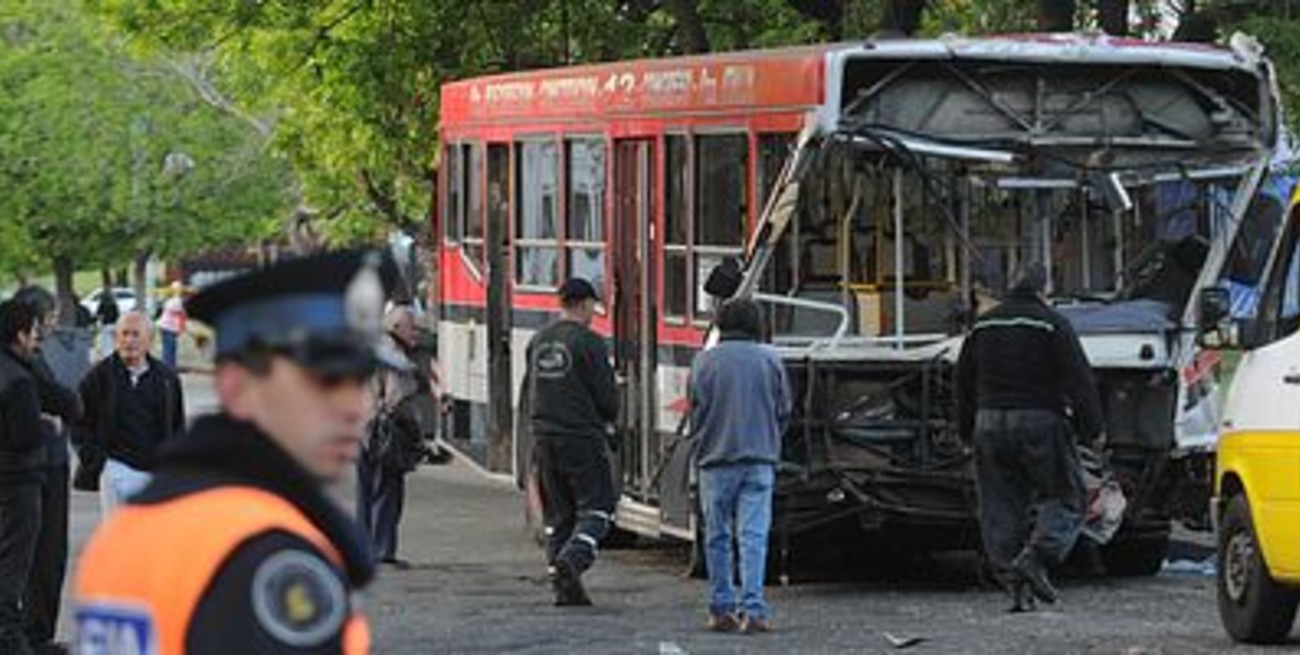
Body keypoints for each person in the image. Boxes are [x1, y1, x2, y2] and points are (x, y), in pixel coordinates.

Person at [74, 250, 398, 654]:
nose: (356, 406)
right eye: (327, 378)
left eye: (362, 379)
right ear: (236, 385)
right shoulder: (270, 559)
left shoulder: (136, 526)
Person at [955, 262, 1104, 612]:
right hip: (1040, 421)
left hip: (988, 423)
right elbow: (1079, 380)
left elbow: (963, 383)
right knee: (1069, 497)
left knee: (1000, 507)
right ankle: (1036, 557)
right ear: (1044, 289)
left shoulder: (983, 325)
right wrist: (1093, 429)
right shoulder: (1052, 323)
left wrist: (965, 431)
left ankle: (1015, 586)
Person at [688, 298, 791, 634]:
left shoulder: (703, 362)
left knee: (717, 537)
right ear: (756, 324)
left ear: (720, 323)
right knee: (753, 536)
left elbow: (696, 412)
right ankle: (754, 610)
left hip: (715, 460)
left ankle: (721, 609)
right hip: (759, 458)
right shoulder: (771, 360)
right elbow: (784, 410)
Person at [526, 277, 618, 606]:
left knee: (560, 516)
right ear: (584, 304)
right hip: (581, 436)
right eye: (593, 304)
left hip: (543, 437)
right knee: (598, 506)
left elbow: (529, 392)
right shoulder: (590, 343)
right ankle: (574, 559)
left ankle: (563, 586)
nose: (594, 311)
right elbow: (607, 399)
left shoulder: (538, 340)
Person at [12, 286, 82, 655]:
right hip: (35, 469)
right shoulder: (22, 364)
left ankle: (36, 633)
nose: (53, 323)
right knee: (38, 556)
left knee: (47, 556)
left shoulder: (36, 357)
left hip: (49, 464)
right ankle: (32, 636)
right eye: (48, 316)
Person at [76, 311, 185, 519]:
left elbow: (177, 426)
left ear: (150, 340)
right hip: (115, 467)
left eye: (136, 335)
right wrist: (97, 460)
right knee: (117, 537)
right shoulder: (99, 376)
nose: (129, 340)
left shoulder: (167, 379)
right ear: (116, 338)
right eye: (124, 334)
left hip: (155, 471)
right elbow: (79, 422)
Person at [356, 305, 429, 568]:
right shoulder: (394, 354)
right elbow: (398, 397)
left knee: (365, 493)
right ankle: (382, 551)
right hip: (383, 431)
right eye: (413, 328)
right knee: (387, 491)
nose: (418, 333)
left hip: (360, 429)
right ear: (397, 328)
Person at [0, 300, 49, 655]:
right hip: (17, 485)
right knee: (13, 568)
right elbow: (27, 436)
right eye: (34, 332)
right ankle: (12, 641)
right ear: (20, 334)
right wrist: (49, 425)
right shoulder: (18, 378)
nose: (37, 339)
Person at [157, 280, 188, 369]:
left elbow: (181, 315)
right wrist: (182, 327)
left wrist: (181, 327)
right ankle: (168, 367)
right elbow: (181, 315)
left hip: (167, 327)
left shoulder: (171, 299)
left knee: (170, 348)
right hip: (168, 327)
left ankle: (170, 366)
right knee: (169, 348)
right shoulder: (176, 300)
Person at [94, 289, 119, 360]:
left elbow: (98, 315)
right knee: (112, 343)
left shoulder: (102, 305)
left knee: (105, 343)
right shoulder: (114, 305)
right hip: (114, 326)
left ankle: (106, 356)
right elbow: (118, 316)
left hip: (106, 326)